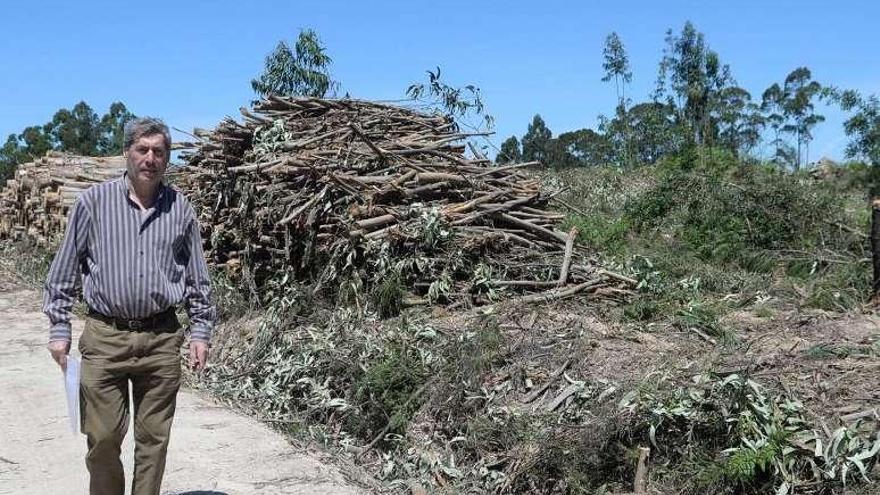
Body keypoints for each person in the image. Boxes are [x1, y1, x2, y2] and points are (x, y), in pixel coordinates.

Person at [43, 117, 216, 495]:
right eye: (142, 149)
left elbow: (197, 277)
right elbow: (64, 271)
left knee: (154, 441)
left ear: (167, 159)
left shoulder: (181, 210)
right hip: (106, 337)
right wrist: (59, 328)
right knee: (102, 438)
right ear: (127, 153)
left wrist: (200, 331)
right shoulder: (93, 203)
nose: (150, 158)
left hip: (161, 339)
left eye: (159, 151)